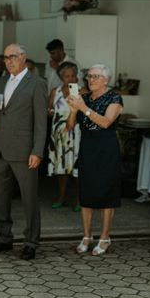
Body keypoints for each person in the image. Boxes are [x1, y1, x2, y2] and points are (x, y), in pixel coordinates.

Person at [0, 43, 48, 261]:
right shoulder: (1, 81)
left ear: (23, 58)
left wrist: (37, 151)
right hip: (1, 148)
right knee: (1, 197)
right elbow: (2, 111)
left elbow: (41, 122)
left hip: (24, 150)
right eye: (6, 57)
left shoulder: (37, 83)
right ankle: (4, 237)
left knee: (29, 198)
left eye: (12, 56)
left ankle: (31, 242)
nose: (8, 61)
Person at [67, 64, 123, 256]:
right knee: (86, 192)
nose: (91, 80)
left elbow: (106, 123)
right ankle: (86, 236)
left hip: (106, 148)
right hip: (88, 147)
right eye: (89, 76)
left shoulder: (114, 97)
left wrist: (84, 108)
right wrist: (74, 109)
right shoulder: (84, 97)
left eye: (96, 76)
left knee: (106, 193)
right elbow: (69, 126)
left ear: (106, 80)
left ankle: (105, 237)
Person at [47, 62, 85, 211]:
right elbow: (49, 109)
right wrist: (50, 111)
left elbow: (85, 112)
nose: (71, 79)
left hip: (76, 133)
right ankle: (61, 196)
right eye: (67, 76)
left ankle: (80, 199)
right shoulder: (55, 91)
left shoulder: (82, 91)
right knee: (60, 166)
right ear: (61, 77)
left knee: (76, 168)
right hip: (58, 133)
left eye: (73, 75)